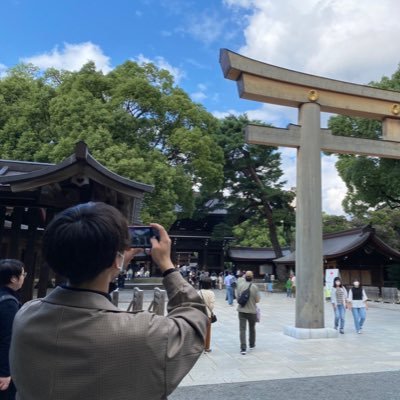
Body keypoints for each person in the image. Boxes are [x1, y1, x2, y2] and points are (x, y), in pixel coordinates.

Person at [10, 202, 208, 400]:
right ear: (117, 259)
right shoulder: (142, 333)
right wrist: (168, 266)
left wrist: (111, 270)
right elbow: (194, 319)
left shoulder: (25, 316)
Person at [0, 259, 26, 400]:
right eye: (22, 275)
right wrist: (4, 372)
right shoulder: (8, 303)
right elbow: (8, 338)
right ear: (13, 279)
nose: (23, 278)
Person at [236, 271, 260, 355]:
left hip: (242, 310)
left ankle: (243, 348)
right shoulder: (255, 287)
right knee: (252, 328)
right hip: (252, 311)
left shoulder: (240, 286)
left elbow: (238, 298)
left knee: (242, 329)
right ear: (252, 277)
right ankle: (252, 344)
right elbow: (257, 300)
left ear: (245, 277)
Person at [198, 277, 215, 353]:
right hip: (207, 314)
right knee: (207, 331)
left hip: (199, 313)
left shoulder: (199, 292)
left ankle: (199, 346)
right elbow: (211, 306)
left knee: (200, 331)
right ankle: (206, 347)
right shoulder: (211, 293)